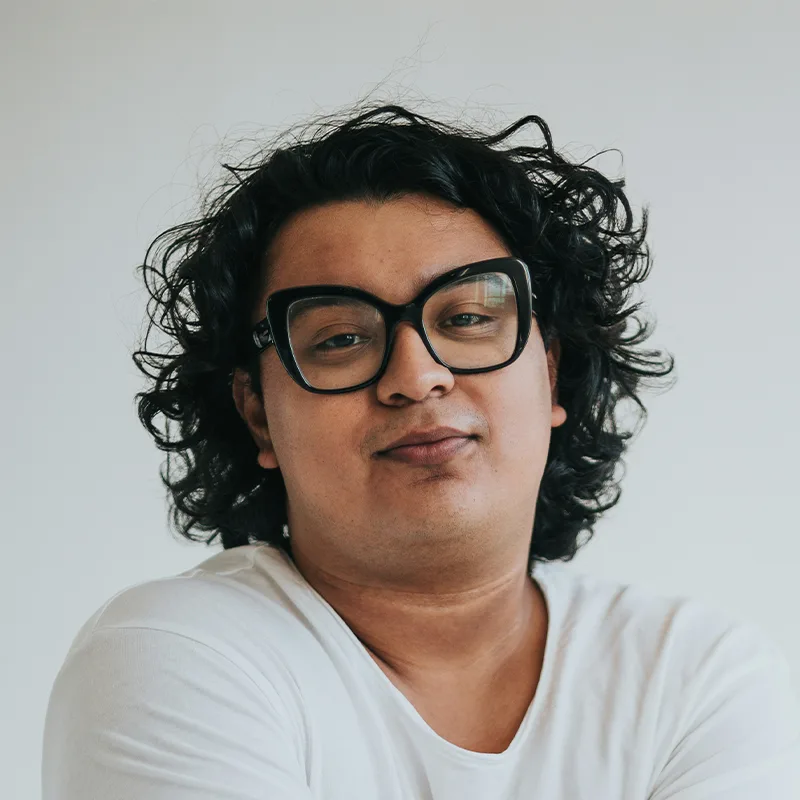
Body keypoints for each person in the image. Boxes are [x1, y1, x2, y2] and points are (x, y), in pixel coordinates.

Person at [42, 102, 799, 799]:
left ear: (551, 369)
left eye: (468, 318)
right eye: (340, 338)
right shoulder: (175, 658)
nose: (417, 375)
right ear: (259, 416)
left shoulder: (694, 674)